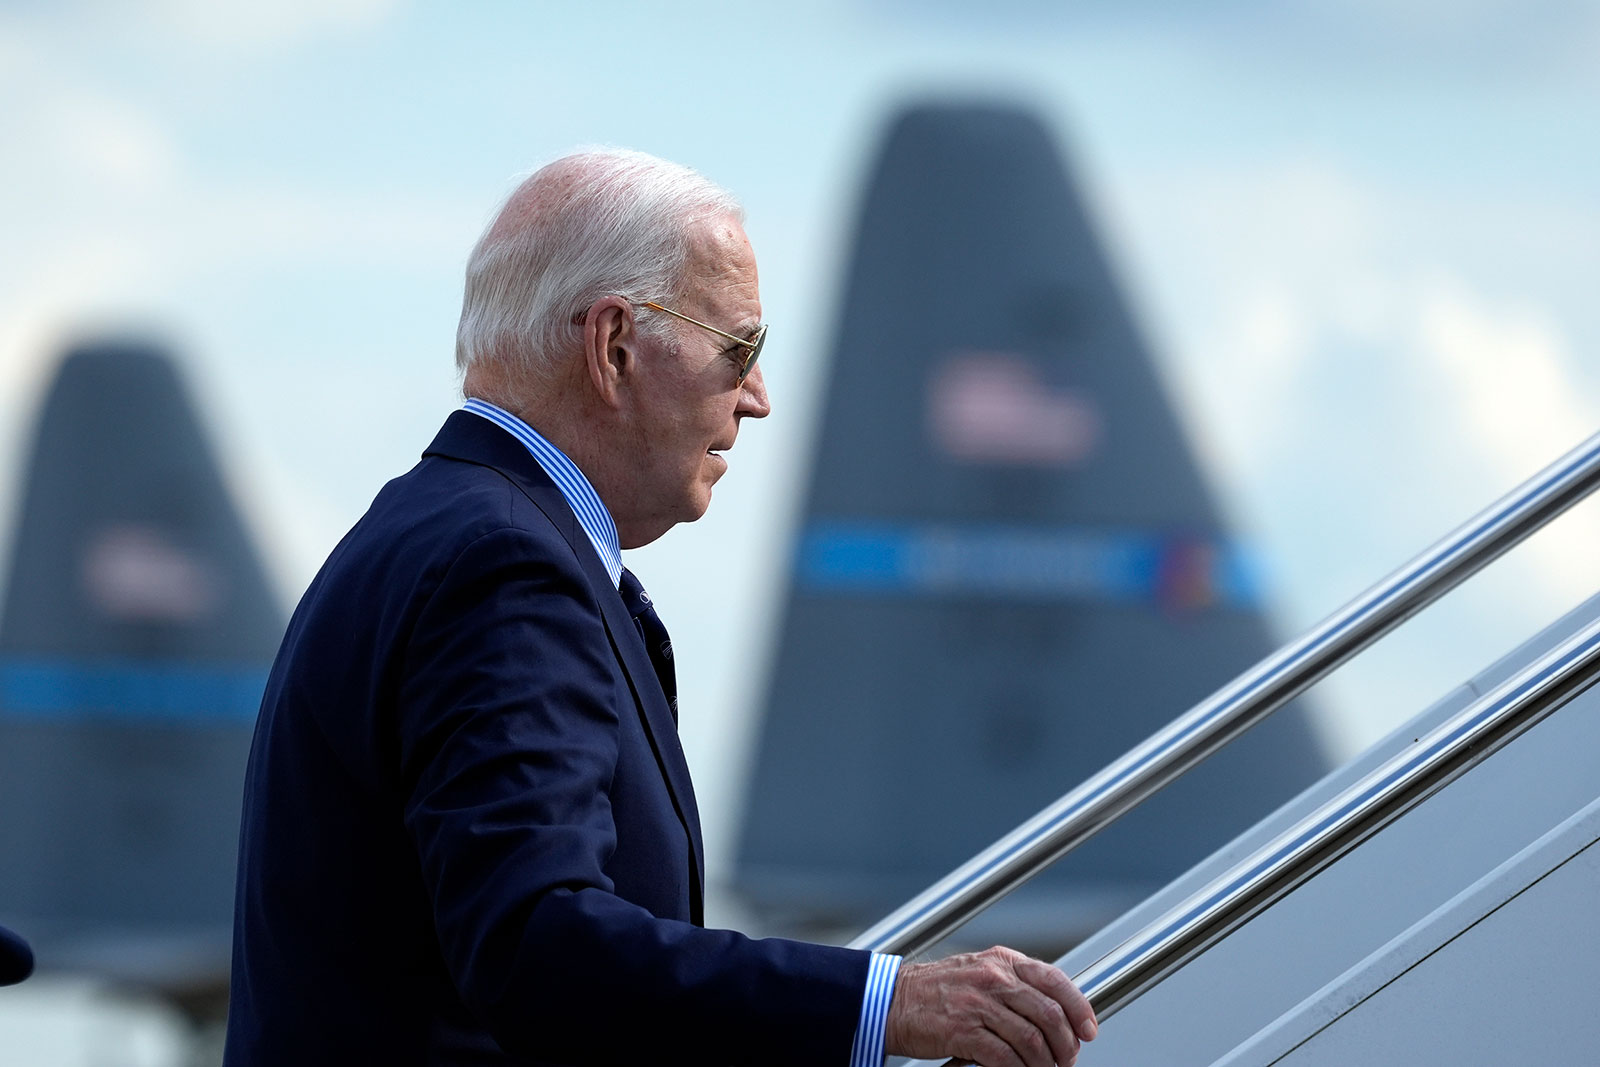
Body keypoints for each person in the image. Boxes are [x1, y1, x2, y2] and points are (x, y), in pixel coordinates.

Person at [224, 149, 1096, 1067]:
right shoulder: (502, 564)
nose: (758, 399)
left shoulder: (436, 533)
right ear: (615, 347)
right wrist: (889, 1003)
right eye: (741, 349)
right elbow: (538, 942)